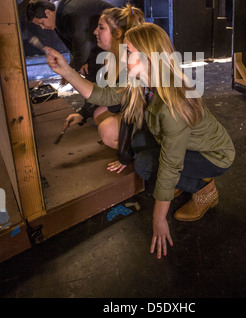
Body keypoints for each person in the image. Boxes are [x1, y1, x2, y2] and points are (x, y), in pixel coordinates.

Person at [45, 23, 235, 259]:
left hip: (212, 155)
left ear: (149, 57)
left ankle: (206, 190)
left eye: (128, 52)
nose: (122, 58)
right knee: (138, 142)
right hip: (186, 145)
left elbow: (170, 165)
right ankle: (187, 182)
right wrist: (67, 72)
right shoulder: (140, 82)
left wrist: (158, 218)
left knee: (146, 165)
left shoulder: (172, 104)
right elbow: (102, 94)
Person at [65, 3, 144, 150]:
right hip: (128, 107)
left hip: (145, 114)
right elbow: (104, 92)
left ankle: (142, 153)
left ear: (118, 33)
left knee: (107, 131)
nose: (95, 32)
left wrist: (67, 72)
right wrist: (82, 114)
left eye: (101, 28)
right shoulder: (109, 57)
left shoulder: (131, 60)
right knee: (99, 113)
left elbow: (113, 99)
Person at [26, 0, 114, 120]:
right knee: (88, 71)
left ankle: (96, 110)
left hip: (112, 41)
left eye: (41, 23)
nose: (42, 27)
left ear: (47, 12)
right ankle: (90, 109)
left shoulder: (70, 13)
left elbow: (83, 46)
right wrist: (79, 64)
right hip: (95, 42)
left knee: (95, 73)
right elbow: (73, 45)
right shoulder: (59, 16)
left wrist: (69, 71)